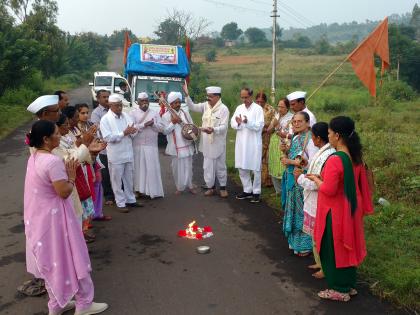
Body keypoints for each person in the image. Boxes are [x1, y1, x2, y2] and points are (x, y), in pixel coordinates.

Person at [24, 120, 108, 315]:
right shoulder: (52, 161)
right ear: (46, 139)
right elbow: (63, 192)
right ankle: (84, 303)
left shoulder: (35, 157)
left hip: (42, 219)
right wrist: (71, 176)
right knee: (74, 257)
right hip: (57, 220)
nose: (60, 136)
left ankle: (57, 304)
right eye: (56, 133)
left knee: (54, 260)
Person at [307, 116, 374, 302]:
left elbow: (328, 189)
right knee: (348, 247)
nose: (328, 136)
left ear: (337, 135)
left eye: (329, 133)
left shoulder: (336, 159)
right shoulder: (355, 156)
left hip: (335, 212)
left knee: (334, 249)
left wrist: (316, 179)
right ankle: (348, 284)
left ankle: (339, 289)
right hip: (352, 208)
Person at [294, 122, 335, 279]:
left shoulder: (327, 155)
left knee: (321, 237)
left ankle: (325, 267)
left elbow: (317, 182)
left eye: (312, 137)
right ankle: (319, 262)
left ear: (318, 138)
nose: (312, 140)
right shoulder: (322, 152)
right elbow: (314, 172)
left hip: (318, 200)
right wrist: (305, 168)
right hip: (313, 200)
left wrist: (299, 178)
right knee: (315, 236)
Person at [281, 111, 318, 256]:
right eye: (294, 121)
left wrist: (290, 161)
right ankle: (294, 243)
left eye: (299, 121)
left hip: (303, 182)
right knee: (293, 211)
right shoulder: (296, 138)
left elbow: (312, 163)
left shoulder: (310, 140)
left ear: (308, 123)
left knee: (303, 212)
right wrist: (286, 151)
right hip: (292, 180)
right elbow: (293, 156)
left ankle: (305, 245)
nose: (296, 124)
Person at [183, 83, 230, 197]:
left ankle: (223, 188)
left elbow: (224, 127)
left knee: (220, 166)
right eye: (207, 96)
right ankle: (211, 187)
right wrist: (187, 96)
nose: (208, 98)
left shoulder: (224, 109)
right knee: (207, 166)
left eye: (210, 96)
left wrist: (213, 129)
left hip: (218, 142)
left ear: (218, 97)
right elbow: (192, 107)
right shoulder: (205, 106)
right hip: (207, 143)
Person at [100, 94, 141, 212]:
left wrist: (133, 131)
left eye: (120, 105)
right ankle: (120, 203)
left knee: (129, 178)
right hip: (116, 155)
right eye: (117, 106)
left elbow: (132, 132)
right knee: (116, 180)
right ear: (110, 105)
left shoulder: (126, 116)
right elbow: (108, 138)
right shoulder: (105, 119)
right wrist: (124, 133)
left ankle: (131, 200)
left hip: (128, 152)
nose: (119, 108)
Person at [76, 103, 112, 222]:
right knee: (87, 187)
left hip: (94, 158)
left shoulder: (91, 125)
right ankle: (87, 218)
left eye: (87, 112)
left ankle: (97, 213)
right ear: (77, 114)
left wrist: (99, 143)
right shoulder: (75, 128)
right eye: (82, 113)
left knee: (98, 183)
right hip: (83, 160)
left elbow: (99, 137)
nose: (86, 115)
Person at [230, 87, 264, 203]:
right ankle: (247, 189)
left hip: (254, 142)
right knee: (242, 167)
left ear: (251, 96)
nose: (244, 99)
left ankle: (256, 192)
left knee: (255, 168)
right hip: (241, 142)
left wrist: (247, 122)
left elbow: (259, 126)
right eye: (242, 97)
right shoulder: (239, 108)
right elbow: (233, 123)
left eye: (246, 97)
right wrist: (238, 123)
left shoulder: (258, 109)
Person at [130, 92, 164, 199]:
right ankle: (138, 191)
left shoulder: (155, 113)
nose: (144, 103)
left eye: (146, 101)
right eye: (142, 101)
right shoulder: (132, 114)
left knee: (152, 169)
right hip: (138, 146)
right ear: (138, 102)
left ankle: (153, 191)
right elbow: (131, 129)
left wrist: (153, 124)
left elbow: (161, 128)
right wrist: (144, 125)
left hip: (151, 145)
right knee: (138, 170)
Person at [161, 91, 196, 195]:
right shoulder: (166, 116)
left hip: (187, 144)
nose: (178, 104)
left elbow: (191, 126)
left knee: (188, 167)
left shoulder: (185, 112)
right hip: (175, 147)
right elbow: (165, 131)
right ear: (170, 104)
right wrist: (173, 122)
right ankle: (179, 187)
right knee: (177, 168)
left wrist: (193, 136)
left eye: (179, 102)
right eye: (175, 103)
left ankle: (190, 186)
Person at [91, 90, 115, 206]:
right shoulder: (96, 113)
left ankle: (119, 194)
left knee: (117, 172)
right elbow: (98, 130)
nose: (106, 99)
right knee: (105, 174)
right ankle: (109, 196)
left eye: (108, 97)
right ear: (98, 99)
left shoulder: (115, 109)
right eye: (104, 97)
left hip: (116, 147)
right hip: (104, 149)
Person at [267, 98, 293, 195]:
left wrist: (278, 126)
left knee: (282, 166)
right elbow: (269, 130)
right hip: (274, 143)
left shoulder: (291, 117)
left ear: (287, 108)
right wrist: (273, 124)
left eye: (282, 107)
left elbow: (289, 134)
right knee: (273, 163)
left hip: (284, 144)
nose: (280, 109)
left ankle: (285, 191)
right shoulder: (277, 116)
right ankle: (277, 190)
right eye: (278, 106)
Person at [255, 91, 276, 187]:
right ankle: (258, 179)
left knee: (267, 159)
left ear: (265, 101)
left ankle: (268, 181)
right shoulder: (253, 109)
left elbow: (274, 122)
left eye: (261, 101)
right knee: (257, 158)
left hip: (268, 137)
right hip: (256, 137)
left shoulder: (270, 110)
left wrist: (267, 128)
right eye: (257, 101)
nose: (259, 103)